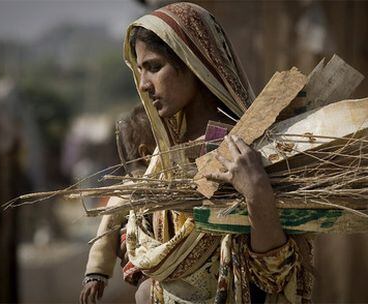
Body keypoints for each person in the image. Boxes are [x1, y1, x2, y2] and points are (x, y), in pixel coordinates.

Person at [96, 2, 313, 303]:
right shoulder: (162, 158)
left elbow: (274, 274)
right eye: (140, 70)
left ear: (193, 61)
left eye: (155, 67)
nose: (144, 84)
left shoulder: (246, 148)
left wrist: (257, 195)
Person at [79, 104, 156, 304]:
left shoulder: (173, 181)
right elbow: (105, 234)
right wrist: (96, 273)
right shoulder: (128, 191)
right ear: (147, 154)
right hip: (147, 270)